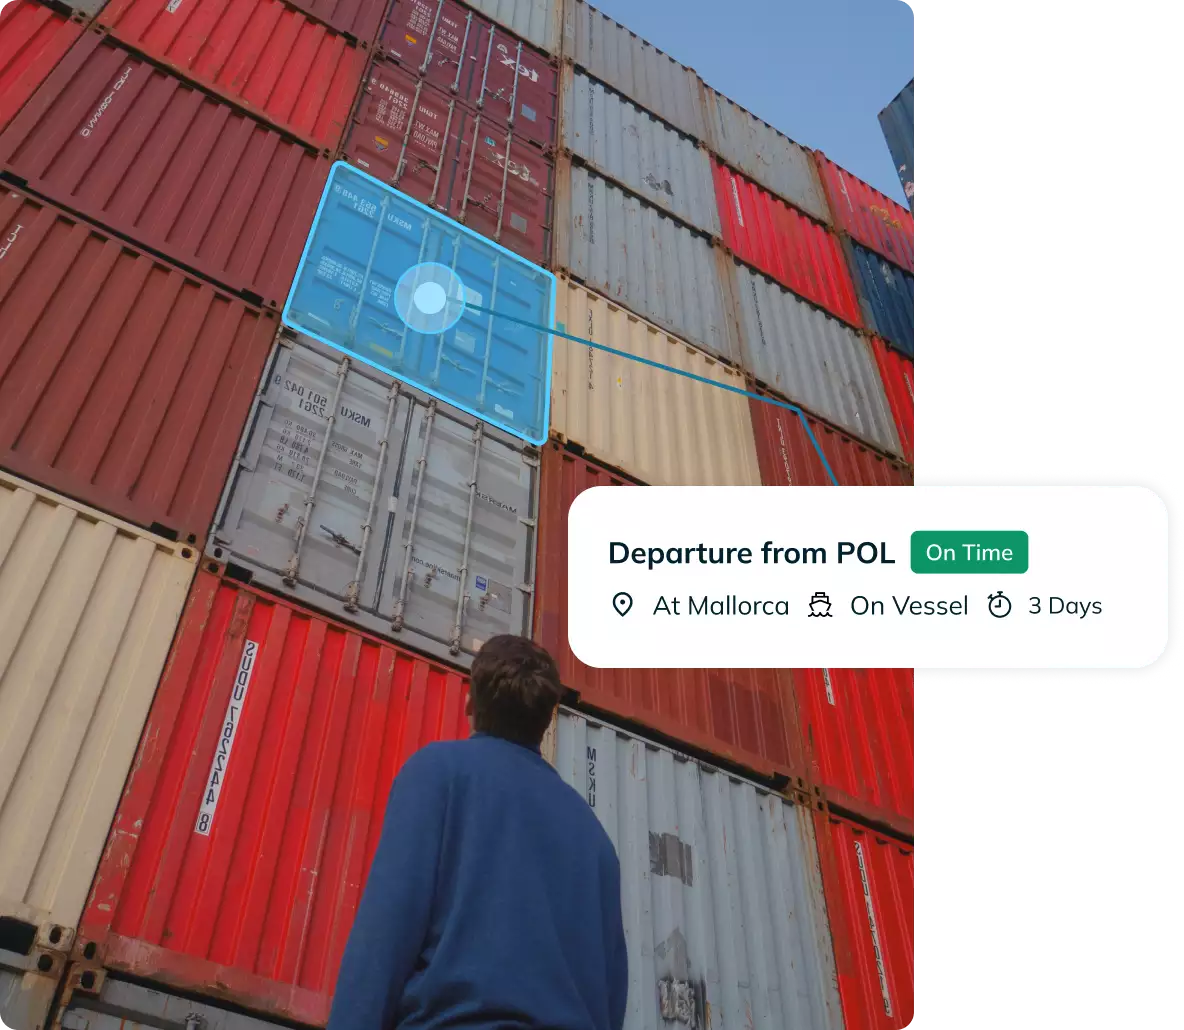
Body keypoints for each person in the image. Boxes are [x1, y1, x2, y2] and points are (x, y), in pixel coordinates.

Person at [327, 635, 628, 1030]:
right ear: (546, 721)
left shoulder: (437, 774)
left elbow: (383, 941)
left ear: (471, 702)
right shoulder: (596, 841)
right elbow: (611, 999)